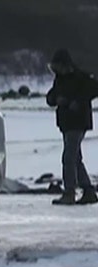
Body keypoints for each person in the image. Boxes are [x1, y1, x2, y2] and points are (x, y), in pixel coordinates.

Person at [46, 49, 98, 205]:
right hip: (67, 124)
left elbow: (94, 88)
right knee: (75, 158)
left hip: (78, 122)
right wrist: (57, 99)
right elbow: (50, 98)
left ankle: (69, 192)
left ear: (65, 64)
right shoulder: (59, 80)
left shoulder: (80, 77)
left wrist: (77, 101)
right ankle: (88, 190)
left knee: (68, 157)